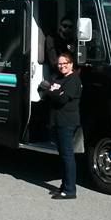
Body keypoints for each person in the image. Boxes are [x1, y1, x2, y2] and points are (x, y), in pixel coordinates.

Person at [40, 50, 81, 200]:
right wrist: (53, 91)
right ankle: (64, 186)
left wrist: (51, 91)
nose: (62, 66)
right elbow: (49, 91)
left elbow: (61, 99)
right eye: (59, 64)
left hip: (67, 123)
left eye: (65, 63)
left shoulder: (74, 80)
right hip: (57, 122)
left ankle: (70, 190)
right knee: (63, 156)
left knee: (67, 156)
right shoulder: (58, 78)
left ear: (71, 64)